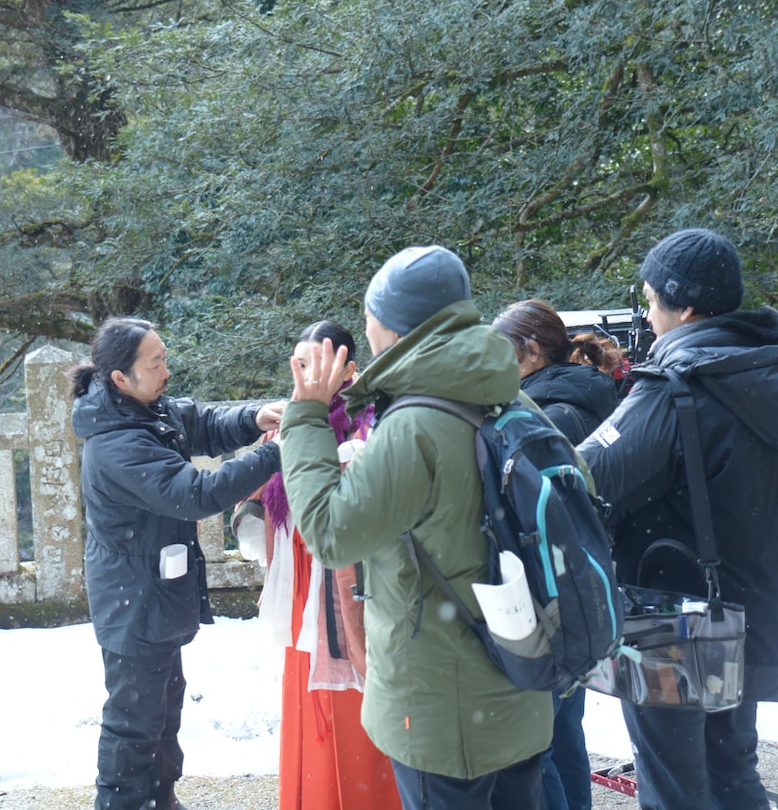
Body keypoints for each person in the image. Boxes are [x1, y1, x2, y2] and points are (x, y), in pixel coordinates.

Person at [278, 246, 552, 810]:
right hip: (517, 679)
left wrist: (307, 416)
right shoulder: (506, 393)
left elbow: (331, 534)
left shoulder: (414, 425)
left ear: (392, 326)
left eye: (371, 314)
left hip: (440, 709)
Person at [578, 229, 778, 810]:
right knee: (733, 771)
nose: (647, 313)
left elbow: (586, 475)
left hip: (672, 617)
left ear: (682, 306)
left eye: (649, 299)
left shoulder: (675, 387)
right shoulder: (760, 372)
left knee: (674, 788)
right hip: (750, 610)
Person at [69, 316, 285, 810]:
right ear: (120, 378)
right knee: (132, 722)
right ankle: (126, 804)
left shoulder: (145, 409)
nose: (166, 370)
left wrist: (256, 418)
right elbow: (194, 493)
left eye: (164, 358)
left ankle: (159, 798)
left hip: (153, 596)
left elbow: (203, 422)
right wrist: (274, 456)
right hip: (133, 601)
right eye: (155, 363)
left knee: (163, 711)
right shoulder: (118, 444)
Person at [241, 320, 400, 810]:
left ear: (351, 368)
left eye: (321, 364)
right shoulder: (285, 423)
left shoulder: (371, 422)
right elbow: (252, 514)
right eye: (301, 364)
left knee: (356, 708)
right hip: (300, 589)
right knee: (307, 707)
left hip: (349, 586)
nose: (307, 375)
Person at [494, 298, 619, 810]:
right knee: (566, 735)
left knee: (537, 747)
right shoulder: (592, 398)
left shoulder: (544, 415)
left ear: (529, 353)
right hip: (583, 587)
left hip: (549, 594)